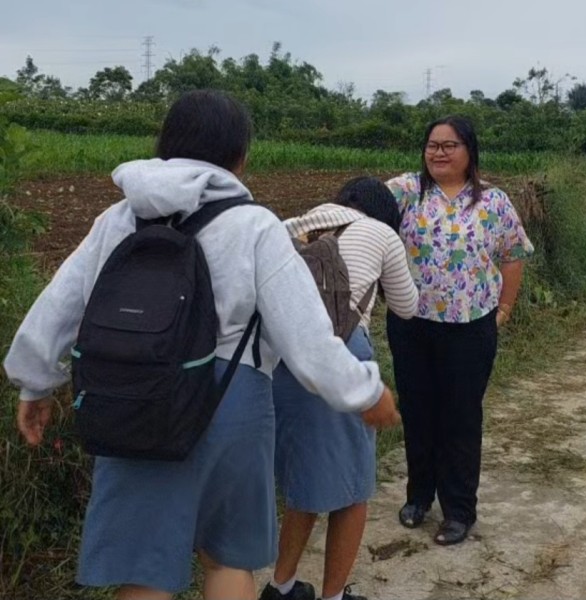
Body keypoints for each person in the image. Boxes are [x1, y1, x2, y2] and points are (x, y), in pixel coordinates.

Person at [4, 90, 400, 600]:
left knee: (144, 565)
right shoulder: (254, 225)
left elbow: (60, 303)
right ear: (241, 156)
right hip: (229, 398)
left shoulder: (118, 219)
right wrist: (366, 393)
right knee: (227, 558)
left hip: (132, 395)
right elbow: (307, 340)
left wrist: (34, 381)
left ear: (165, 144)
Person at [260, 177, 418, 600]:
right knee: (352, 489)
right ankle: (333, 597)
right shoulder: (381, 232)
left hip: (282, 358)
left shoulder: (288, 227)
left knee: (304, 479)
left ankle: (282, 585)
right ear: (383, 212)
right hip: (341, 353)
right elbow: (407, 306)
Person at [385, 115, 534, 546]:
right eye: (432, 145)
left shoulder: (493, 202)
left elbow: (512, 254)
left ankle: (459, 510)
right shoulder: (409, 192)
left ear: (470, 151)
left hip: (470, 329)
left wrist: (503, 308)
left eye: (449, 145)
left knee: (461, 417)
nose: (439, 153)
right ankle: (418, 497)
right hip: (411, 324)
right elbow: (366, 202)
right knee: (418, 412)